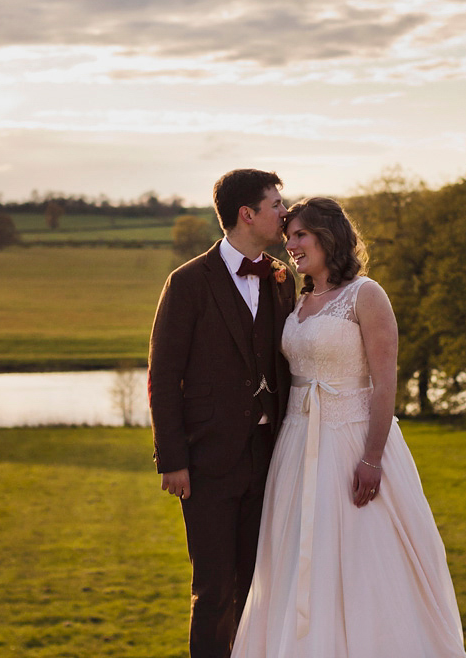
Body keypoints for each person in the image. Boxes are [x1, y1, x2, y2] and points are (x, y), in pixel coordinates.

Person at [231, 197, 466, 658]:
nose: (292, 245)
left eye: (300, 234)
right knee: (298, 559)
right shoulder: (298, 299)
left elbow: (384, 383)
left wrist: (372, 457)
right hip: (297, 446)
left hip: (353, 440)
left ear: (329, 235)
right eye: (289, 237)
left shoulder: (366, 294)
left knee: (364, 561)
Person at [148, 169, 298, 658]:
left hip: (270, 455)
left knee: (259, 585)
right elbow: (164, 375)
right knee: (214, 590)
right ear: (246, 214)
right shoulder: (188, 282)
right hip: (208, 460)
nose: (285, 212)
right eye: (276, 204)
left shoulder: (281, 278)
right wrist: (172, 459)